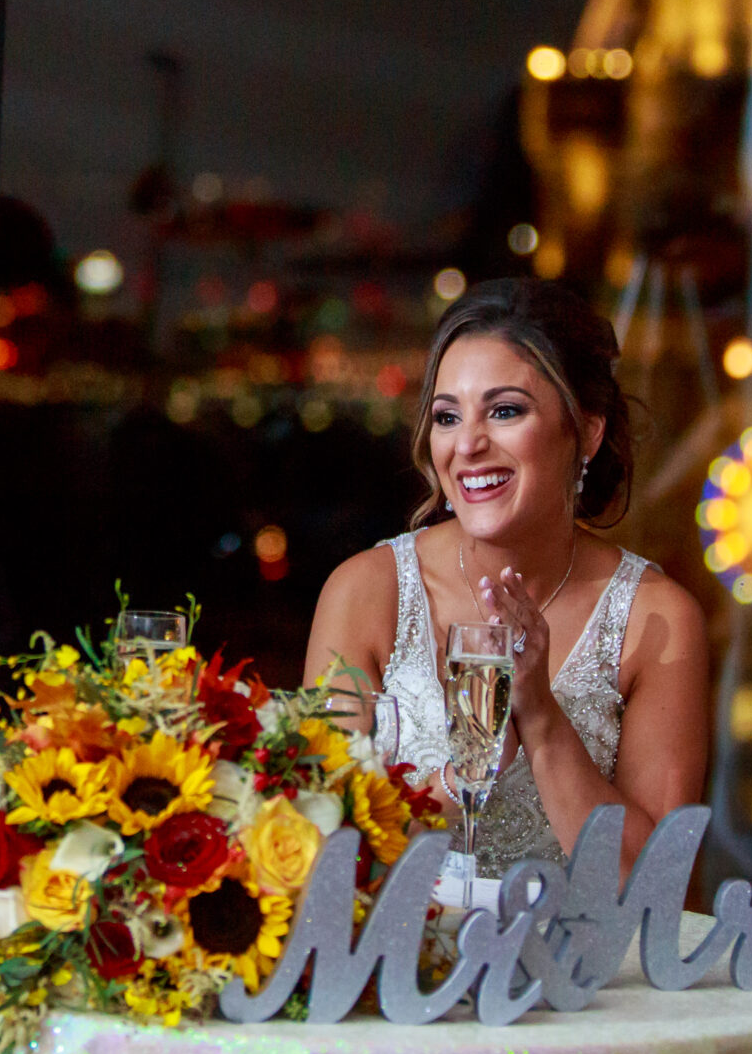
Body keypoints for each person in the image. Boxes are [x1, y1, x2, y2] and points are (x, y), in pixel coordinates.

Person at [303, 276, 709, 874]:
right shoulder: (367, 592)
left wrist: (541, 717)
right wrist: (469, 769)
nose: (467, 443)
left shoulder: (656, 619)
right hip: (400, 961)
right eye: (446, 417)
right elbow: (317, 852)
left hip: (583, 964)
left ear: (586, 431)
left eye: (505, 411)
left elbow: (654, 883)